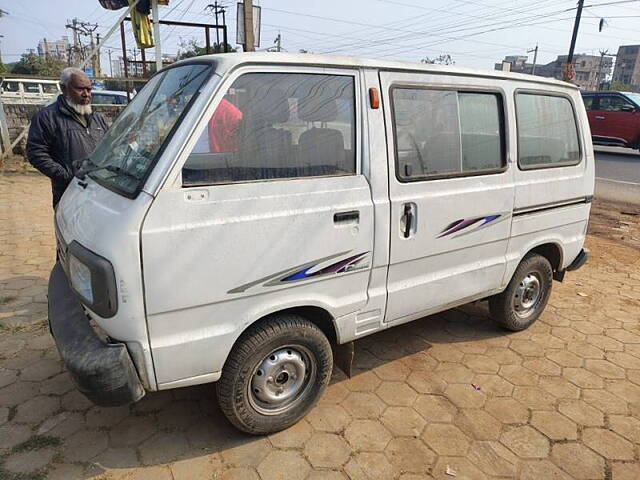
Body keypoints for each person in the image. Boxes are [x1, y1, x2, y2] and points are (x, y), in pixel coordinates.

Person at [27, 67, 108, 208]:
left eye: (89, 90)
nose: (86, 94)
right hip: (68, 194)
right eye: (80, 89)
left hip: (98, 192)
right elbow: (36, 153)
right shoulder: (47, 117)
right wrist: (68, 176)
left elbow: (110, 147)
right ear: (63, 88)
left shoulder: (96, 119)